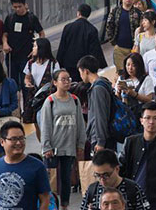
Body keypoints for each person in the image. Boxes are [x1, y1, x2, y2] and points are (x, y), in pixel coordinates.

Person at [119, 102, 156, 210]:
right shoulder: (130, 142)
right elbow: (120, 170)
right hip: (132, 198)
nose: (151, 122)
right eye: (147, 118)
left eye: (155, 118)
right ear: (141, 120)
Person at [40, 69, 86, 210]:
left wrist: (80, 144)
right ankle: (51, 205)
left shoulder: (75, 100)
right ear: (55, 83)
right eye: (63, 79)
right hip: (53, 147)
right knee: (51, 180)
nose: (67, 82)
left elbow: (80, 123)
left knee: (66, 179)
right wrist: (46, 146)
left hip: (69, 146)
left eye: (68, 79)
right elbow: (45, 125)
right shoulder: (50, 102)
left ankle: (64, 206)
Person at [0, 121, 50, 210]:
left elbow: (45, 200)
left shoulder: (37, 167)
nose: (18, 143)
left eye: (21, 138)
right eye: (13, 139)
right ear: (2, 141)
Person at [81, 149, 149, 210]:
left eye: (106, 175)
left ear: (117, 169)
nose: (102, 180)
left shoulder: (132, 189)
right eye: (98, 175)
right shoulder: (92, 190)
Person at [2, 0, 45, 89]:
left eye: (19, 6)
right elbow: (5, 34)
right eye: (15, 7)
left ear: (25, 4)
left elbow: (41, 33)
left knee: (26, 82)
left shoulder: (31, 18)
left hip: (26, 56)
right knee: (12, 83)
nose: (17, 9)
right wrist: (5, 44)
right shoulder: (10, 18)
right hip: (12, 56)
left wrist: (37, 48)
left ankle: (26, 103)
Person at [57, 3, 107, 82]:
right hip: (84, 67)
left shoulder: (68, 27)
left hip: (70, 65)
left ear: (78, 13)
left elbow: (62, 46)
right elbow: (95, 50)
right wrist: (100, 65)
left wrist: (59, 63)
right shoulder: (92, 29)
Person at [78, 55, 115, 152]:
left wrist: (100, 142)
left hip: (101, 138)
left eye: (80, 72)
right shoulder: (103, 83)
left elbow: (100, 116)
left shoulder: (97, 89)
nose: (80, 76)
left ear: (86, 71)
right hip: (105, 135)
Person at [23, 37, 59, 136]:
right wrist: (27, 83)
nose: (33, 48)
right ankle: (43, 146)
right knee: (36, 123)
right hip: (34, 98)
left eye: (35, 46)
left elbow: (57, 79)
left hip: (48, 97)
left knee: (47, 122)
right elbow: (27, 77)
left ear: (41, 48)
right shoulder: (30, 63)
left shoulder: (53, 64)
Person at [106, 0, 141, 73]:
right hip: (120, 49)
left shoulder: (138, 13)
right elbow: (109, 26)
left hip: (134, 49)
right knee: (121, 72)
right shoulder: (115, 11)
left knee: (134, 72)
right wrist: (113, 41)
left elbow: (142, 28)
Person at [116, 53, 154, 122]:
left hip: (141, 115)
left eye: (133, 65)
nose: (130, 68)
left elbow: (149, 99)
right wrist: (118, 92)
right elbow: (117, 99)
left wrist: (134, 94)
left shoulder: (146, 79)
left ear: (139, 66)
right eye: (128, 65)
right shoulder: (121, 78)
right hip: (126, 115)